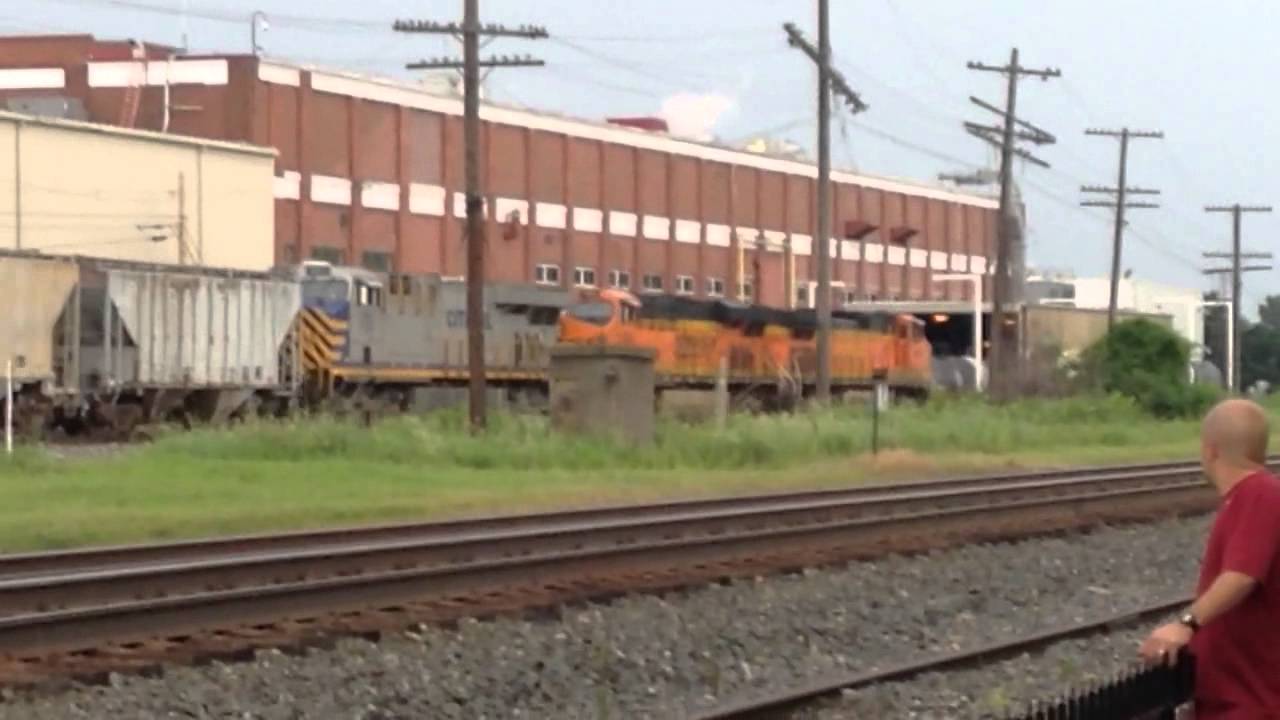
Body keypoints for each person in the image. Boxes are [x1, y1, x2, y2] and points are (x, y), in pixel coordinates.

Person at [1139, 398, 1280, 718]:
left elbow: (1242, 575)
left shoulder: (1259, 494)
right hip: (1233, 700)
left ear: (1210, 450)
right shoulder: (1251, 498)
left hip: (1251, 704)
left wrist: (1185, 624)